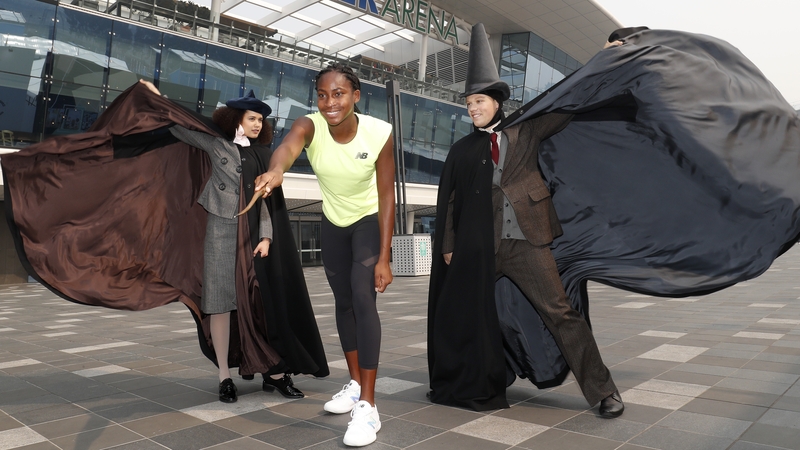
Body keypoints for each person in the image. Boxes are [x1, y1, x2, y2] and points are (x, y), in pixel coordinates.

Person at [2, 80, 328, 405]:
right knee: (219, 306)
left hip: (252, 239)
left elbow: (265, 199)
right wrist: (156, 98)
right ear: (236, 119)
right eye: (252, 118)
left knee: (260, 305)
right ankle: (224, 377)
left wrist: (267, 235)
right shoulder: (215, 144)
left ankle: (273, 372)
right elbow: (178, 126)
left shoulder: (263, 154)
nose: (258, 124)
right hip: (218, 234)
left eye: (261, 120)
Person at [428, 23, 624, 418]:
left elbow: (566, 100)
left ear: (496, 101)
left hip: (527, 242)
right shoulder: (463, 149)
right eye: (468, 103)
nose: (472, 108)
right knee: (467, 315)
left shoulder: (526, 129)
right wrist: (448, 245)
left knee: (561, 313)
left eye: (479, 101)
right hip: (477, 248)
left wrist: (603, 59)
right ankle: (472, 380)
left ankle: (603, 392)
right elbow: (449, 201)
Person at [254, 63, 395, 447]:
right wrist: (276, 170)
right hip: (333, 224)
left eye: (338, 94)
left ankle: (368, 406)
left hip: (367, 221)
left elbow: (387, 196)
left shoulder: (379, 133)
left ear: (355, 96)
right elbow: (288, 146)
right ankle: (355, 383)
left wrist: (384, 257)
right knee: (343, 303)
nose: (330, 102)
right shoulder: (310, 125)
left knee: (363, 298)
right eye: (322, 94)